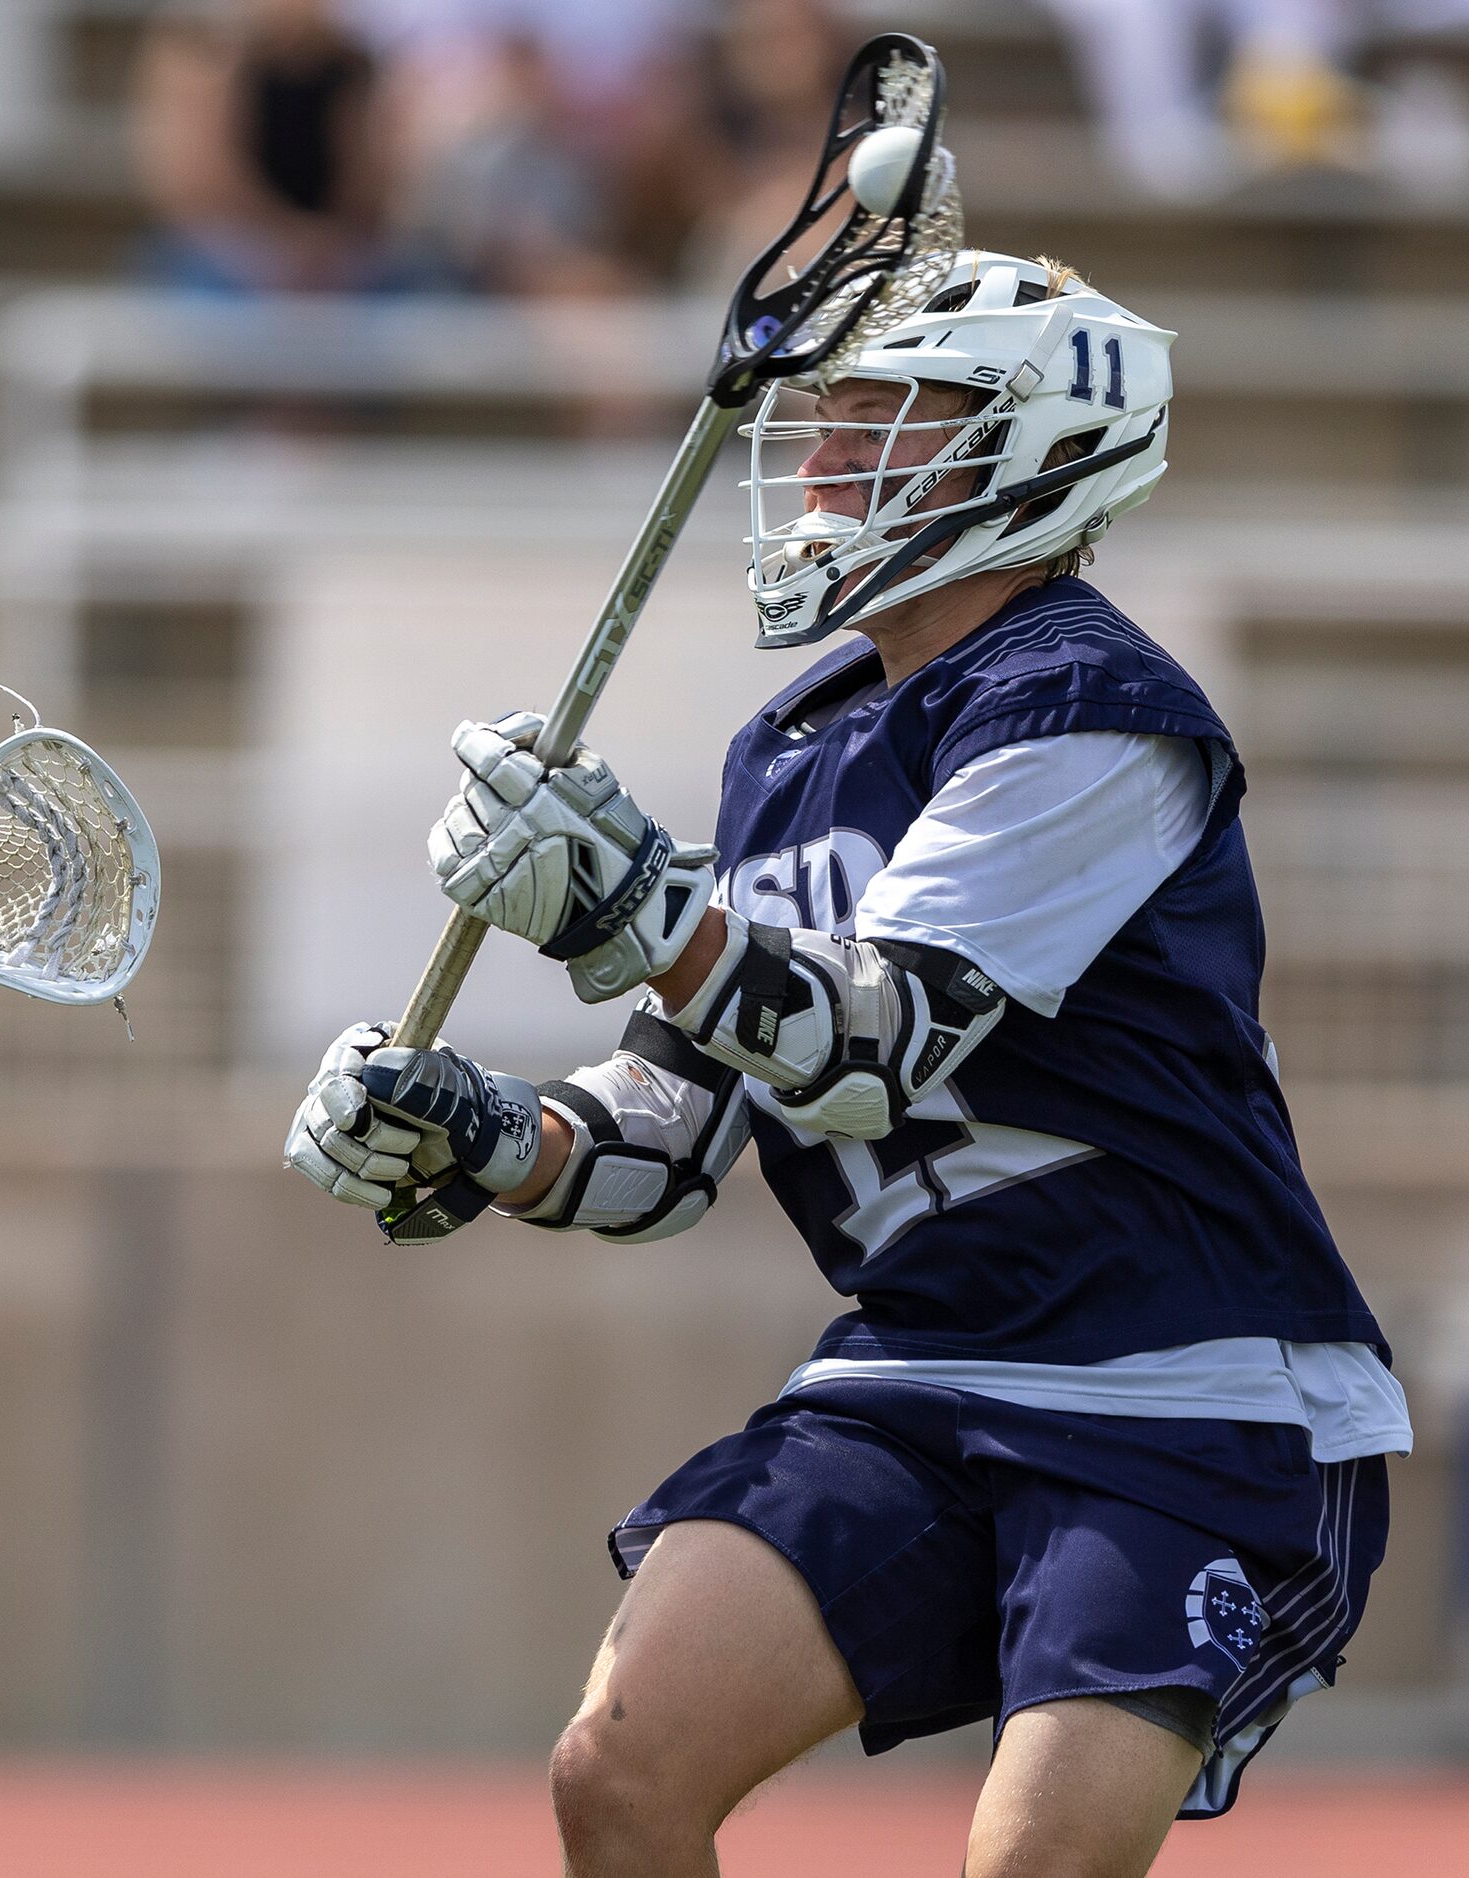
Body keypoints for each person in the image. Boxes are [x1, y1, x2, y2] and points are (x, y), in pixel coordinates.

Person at [288, 252, 1408, 1873]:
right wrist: (485, 1133)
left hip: (1181, 1388)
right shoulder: (792, 746)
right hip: (919, 1368)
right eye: (832, 409)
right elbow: (665, 1142)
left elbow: (872, 1041)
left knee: (1033, 1859)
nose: (823, 453)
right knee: (617, 1771)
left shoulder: (1089, 713)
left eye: (884, 413)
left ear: (1032, 451)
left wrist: (630, 907)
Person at [134, 0, 400, 293]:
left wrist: (322, 244)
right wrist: (284, 242)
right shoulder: (199, 44)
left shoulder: (353, 59)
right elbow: (197, 184)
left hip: (337, 252)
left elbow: (371, 186)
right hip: (227, 247)